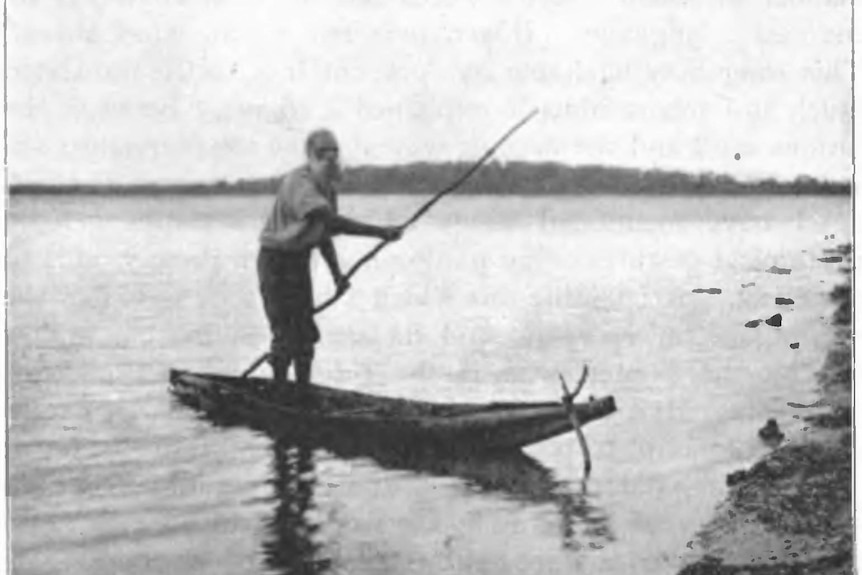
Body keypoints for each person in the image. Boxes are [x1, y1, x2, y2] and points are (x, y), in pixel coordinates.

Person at [258, 128, 402, 388]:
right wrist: (381, 232)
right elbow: (330, 221)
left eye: (335, 152)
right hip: (276, 262)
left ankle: (303, 393)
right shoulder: (298, 183)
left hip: (298, 261)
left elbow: (324, 234)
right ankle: (279, 395)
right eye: (324, 153)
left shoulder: (327, 187)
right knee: (285, 335)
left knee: (305, 335)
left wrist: (337, 275)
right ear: (311, 156)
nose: (332, 158)